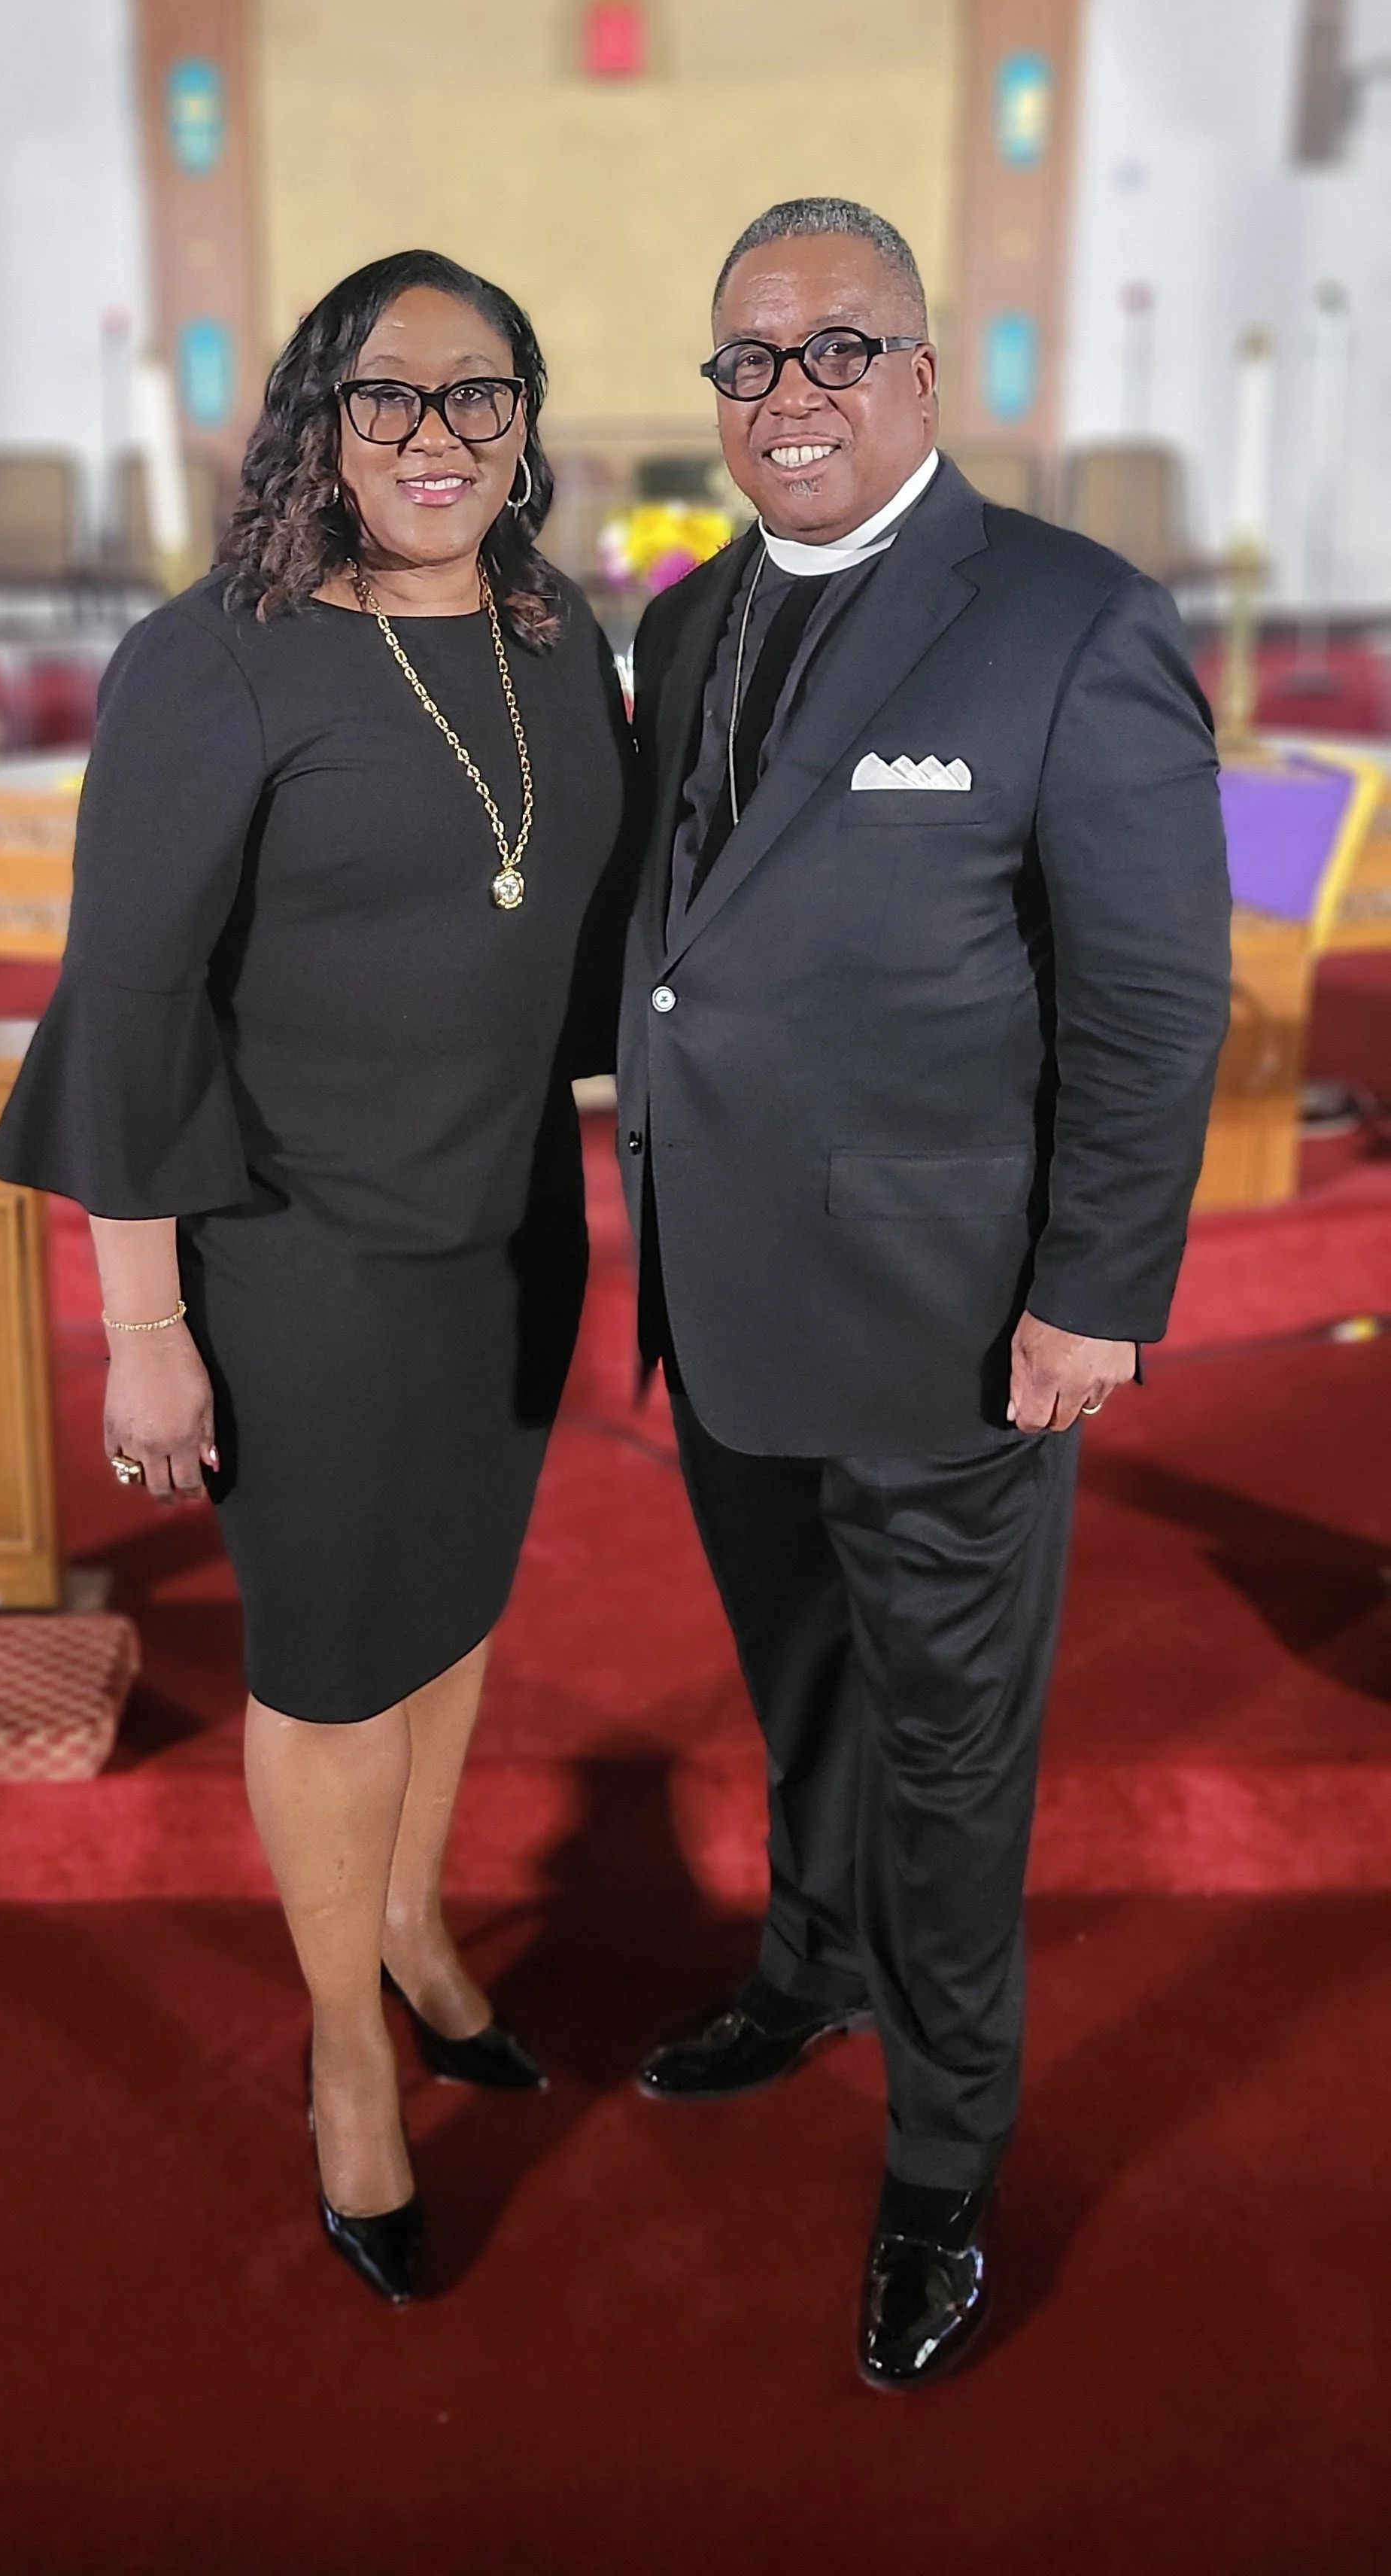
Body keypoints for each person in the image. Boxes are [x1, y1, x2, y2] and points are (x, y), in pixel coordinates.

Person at [620, 196, 1231, 2387]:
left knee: (954, 1754)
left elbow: (1159, 998)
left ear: (924, 372)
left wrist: (1091, 1294)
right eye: (747, 361)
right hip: (730, 1300)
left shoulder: (1067, 621)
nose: (786, 394)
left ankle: (944, 2160)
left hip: (957, 1321)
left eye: (832, 349)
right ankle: (810, 1959)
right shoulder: (684, 630)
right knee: (801, 1683)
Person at [0, 252, 633, 2307]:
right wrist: (146, 1325)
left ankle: (422, 1932)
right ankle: (346, 2059)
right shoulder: (221, 661)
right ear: (315, 424)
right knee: (337, 1662)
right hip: (299, 1255)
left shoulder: (553, 633)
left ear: (526, 422)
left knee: (448, 1623)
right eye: (387, 400)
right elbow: (135, 1003)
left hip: (506, 1221)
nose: (434, 438)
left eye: (476, 397)